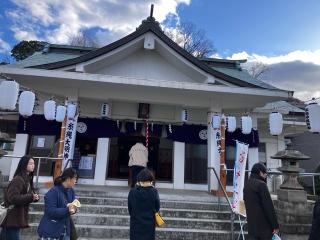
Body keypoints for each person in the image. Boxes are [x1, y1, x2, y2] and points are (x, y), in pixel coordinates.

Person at [0, 155, 39, 240]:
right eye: (30, 163)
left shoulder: (27, 179)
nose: (33, 165)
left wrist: (34, 197)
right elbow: (12, 198)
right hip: (11, 219)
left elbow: (27, 195)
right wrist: (30, 197)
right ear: (24, 165)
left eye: (34, 163)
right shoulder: (18, 179)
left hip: (15, 219)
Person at [37, 168, 78, 240]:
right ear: (68, 179)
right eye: (74, 179)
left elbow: (73, 205)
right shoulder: (53, 192)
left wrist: (74, 209)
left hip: (66, 229)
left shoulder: (71, 191)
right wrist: (67, 209)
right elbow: (50, 211)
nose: (75, 181)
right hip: (51, 230)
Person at [243, 163, 279, 240]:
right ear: (260, 172)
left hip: (252, 225)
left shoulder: (247, 184)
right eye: (265, 172)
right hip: (264, 226)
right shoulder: (261, 185)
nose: (266, 175)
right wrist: (275, 225)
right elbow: (269, 207)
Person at [128, 168, 160, 240]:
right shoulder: (154, 192)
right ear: (150, 179)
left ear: (139, 179)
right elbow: (157, 208)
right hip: (149, 224)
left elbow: (130, 208)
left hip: (135, 223)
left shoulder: (132, 191)